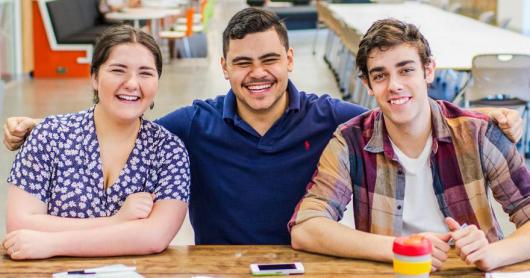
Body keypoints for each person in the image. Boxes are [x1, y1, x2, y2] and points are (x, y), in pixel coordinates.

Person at [2, 8, 523, 245]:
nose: (258, 74)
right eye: (243, 62)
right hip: (219, 266)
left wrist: (484, 117)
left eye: (270, 59)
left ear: (291, 59)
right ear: (224, 67)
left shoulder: (333, 120)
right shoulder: (194, 123)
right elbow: (128, 114)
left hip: (309, 264)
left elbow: (399, 110)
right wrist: (44, 126)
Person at [289, 18, 530, 272]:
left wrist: (492, 255)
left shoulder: (478, 133)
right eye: (380, 75)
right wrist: (398, 247)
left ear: (429, 70)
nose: (394, 86)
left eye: (406, 70)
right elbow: (305, 228)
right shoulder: (350, 142)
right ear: (367, 85)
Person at [2, 25, 190, 260]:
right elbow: (20, 224)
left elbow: (154, 236)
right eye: (118, 70)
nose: (132, 83)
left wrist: (52, 243)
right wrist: (116, 222)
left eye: (145, 73)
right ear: (94, 77)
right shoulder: (49, 135)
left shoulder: (168, 151)